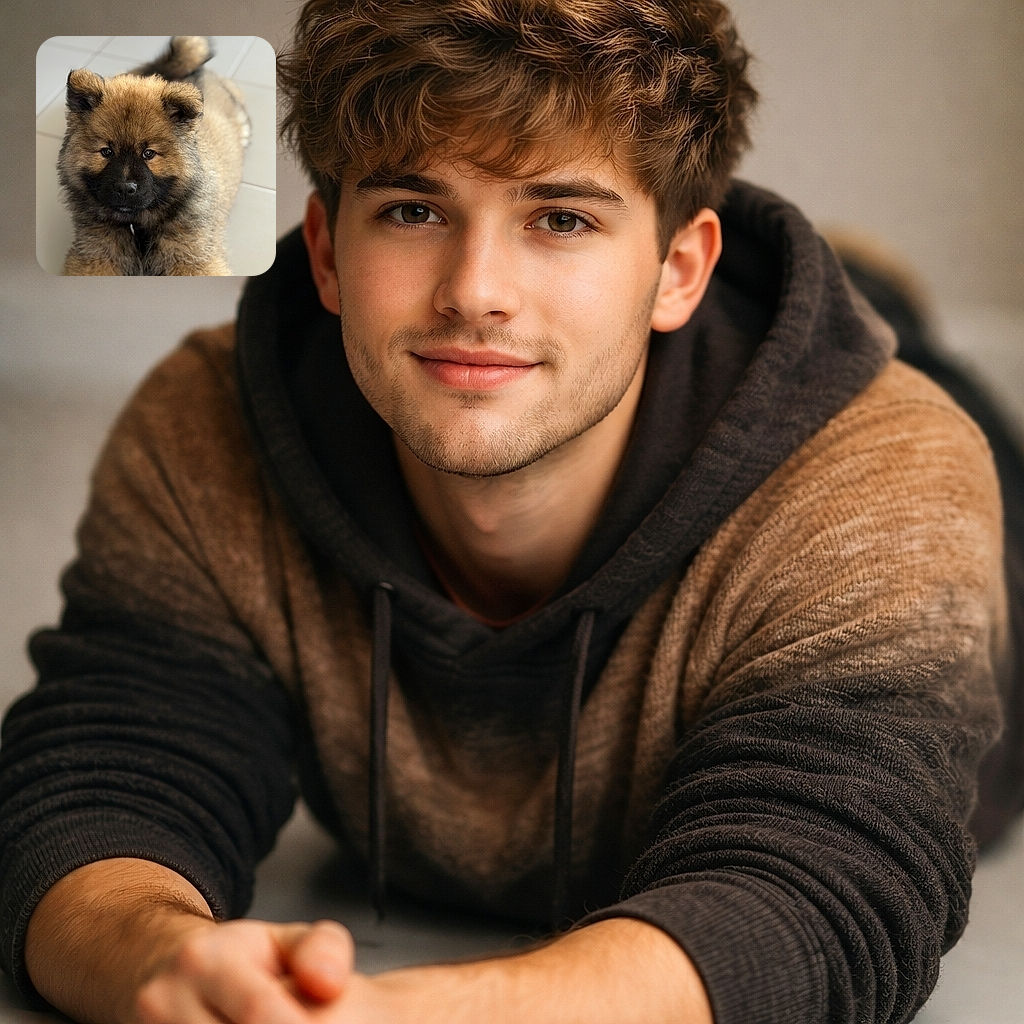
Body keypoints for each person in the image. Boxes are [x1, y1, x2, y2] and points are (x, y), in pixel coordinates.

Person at [1, 1, 1021, 1021]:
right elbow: (99, 777)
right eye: (413, 210)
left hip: (876, 467)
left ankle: (865, 289)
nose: (473, 291)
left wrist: (403, 1017)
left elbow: (813, 895)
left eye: (561, 217)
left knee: (917, 373)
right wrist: (163, 965)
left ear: (679, 271)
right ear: (323, 251)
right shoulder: (203, 425)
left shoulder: (882, 471)